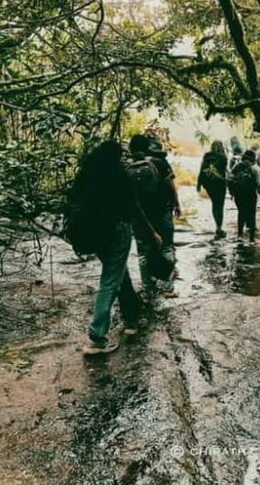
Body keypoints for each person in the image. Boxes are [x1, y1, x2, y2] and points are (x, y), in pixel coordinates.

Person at [70, 141, 160, 356]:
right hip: (117, 231)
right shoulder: (119, 175)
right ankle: (97, 337)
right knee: (110, 280)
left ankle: (132, 317)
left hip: (94, 232)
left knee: (118, 272)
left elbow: (73, 202)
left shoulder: (86, 174)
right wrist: (151, 232)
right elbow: (134, 207)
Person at [127, 134, 180, 299]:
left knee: (143, 251)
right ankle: (167, 287)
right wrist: (177, 204)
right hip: (162, 211)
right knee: (166, 247)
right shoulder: (159, 162)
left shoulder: (128, 166)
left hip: (140, 216)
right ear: (148, 146)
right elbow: (170, 186)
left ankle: (147, 288)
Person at [229, 149, 260, 242]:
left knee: (241, 213)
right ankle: (251, 239)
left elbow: (230, 180)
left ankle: (240, 235)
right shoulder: (255, 168)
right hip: (251, 195)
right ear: (253, 159)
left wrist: (232, 193)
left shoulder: (236, 166)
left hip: (238, 195)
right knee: (251, 214)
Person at [197, 140, 228, 238]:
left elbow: (202, 169)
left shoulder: (207, 156)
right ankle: (219, 228)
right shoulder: (223, 157)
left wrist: (199, 183)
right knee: (220, 206)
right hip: (220, 184)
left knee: (215, 204)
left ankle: (218, 227)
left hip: (209, 185)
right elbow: (222, 169)